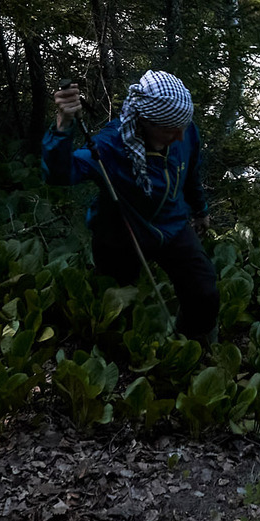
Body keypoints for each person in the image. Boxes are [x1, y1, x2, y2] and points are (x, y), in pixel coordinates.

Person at [44, 70, 218, 343]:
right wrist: (63, 124)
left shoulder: (185, 129)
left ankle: (196, 347)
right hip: (120, 234)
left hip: (172, 227)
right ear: (145, 122)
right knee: (117, 304)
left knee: (204, 291)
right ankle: (123, 358)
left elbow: (190, 173)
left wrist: (200, 210)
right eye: (172, 131)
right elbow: (60, 174)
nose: (181, 137)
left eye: (183, 127)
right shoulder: (111, 147)